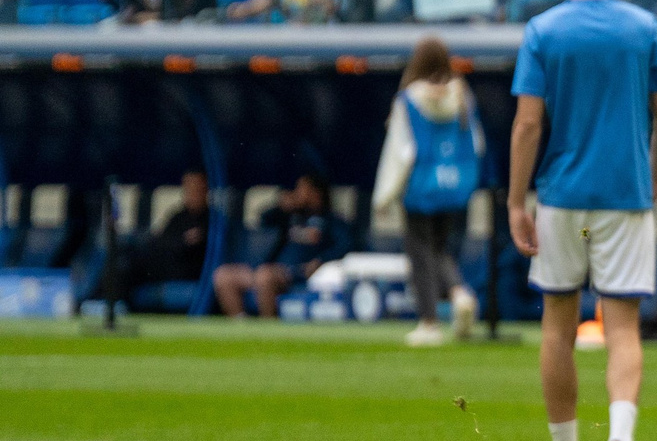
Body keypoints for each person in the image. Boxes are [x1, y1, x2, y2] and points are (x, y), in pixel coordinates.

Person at [508, 0, 657, 441]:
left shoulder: (542, 31)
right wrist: (651, 182)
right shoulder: (643, 28)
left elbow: (529, 122)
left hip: (561, 197)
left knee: (557, 327)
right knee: (622, 325)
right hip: (625, 196)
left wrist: (515, 200)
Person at [373, 34, 486, 348]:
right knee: (440, 249)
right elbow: (476, 144)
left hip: (420, 188)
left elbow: (400, 152)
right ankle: (459, 292)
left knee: (419, 252)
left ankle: (430, 321)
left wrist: (383, 196)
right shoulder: (463, 96)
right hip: (455, 189)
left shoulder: (408, 100)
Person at [213, 171, 350, 318]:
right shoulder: (290, 216)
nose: (297, 192)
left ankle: (267, 330)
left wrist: (321, 261)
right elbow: (263, 219)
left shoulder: (330, 220)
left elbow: (345, 246)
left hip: (297, 273)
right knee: (223, 275)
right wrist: (281, 206)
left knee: (264, 277)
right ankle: (241, 326)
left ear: (316, 192)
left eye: (302, 188)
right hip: (270, 268)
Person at [99, 170, 212, 308]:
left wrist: (182, 243)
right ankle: (104, 302)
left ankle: (112, 305)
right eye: (187, 188)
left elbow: (195, 249)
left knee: (132, 263)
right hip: (162, 263)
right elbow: (161, 241)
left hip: (183, 270)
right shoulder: (178, 216)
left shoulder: (212, 220)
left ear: (205, 189)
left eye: (195, 187)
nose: (190, 193)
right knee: (123, 258)